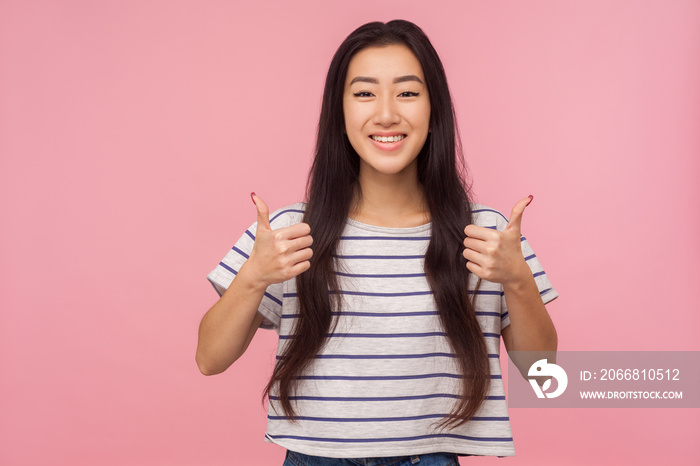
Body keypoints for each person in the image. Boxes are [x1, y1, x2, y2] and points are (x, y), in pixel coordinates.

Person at [196, 19, 558, 465]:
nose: (386, 113)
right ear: (340, 111)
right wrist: (253, 276)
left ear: (434, 108)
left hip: (431, 458)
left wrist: (518, 280)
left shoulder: (488, 237)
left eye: (407, 92)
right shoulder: (288, 233)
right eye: (364, 93)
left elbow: (541, 375)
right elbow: (209, 359)